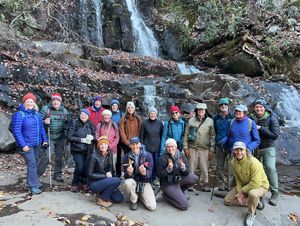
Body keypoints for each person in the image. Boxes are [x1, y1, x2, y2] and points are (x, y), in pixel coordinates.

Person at [224, 141, 269, 226]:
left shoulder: (254, 162)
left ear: (245, 151)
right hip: (246, 185)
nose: (239, 152)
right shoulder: (233, 162)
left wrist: (242, 191)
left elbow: (256, 183)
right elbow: (238, 179)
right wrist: (239, 190)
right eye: (236, 150)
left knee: (252, 193)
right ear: (233, 151)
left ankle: (251, 213)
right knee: (227, 201)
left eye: (241, 150)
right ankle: (254, 202)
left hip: (260, 186)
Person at [12, 92, 48, 195]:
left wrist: (44, 140)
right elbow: (16, 131)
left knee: (34, 163)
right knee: (32, 164)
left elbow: (41, 128)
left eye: (31, 101)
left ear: (34, 103)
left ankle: (30, 182)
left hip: (36, 143)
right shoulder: (19, 115)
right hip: (26, 144)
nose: (29, 103)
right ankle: (34, 186)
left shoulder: (37, 114)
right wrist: (23, 145)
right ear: (24, 103)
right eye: (27, 102)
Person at [250, 98, 280, 206]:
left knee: (270, 168)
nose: (258, 109)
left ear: (264, 108)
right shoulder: (250, 117)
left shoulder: (272, 118)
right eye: (256, 107)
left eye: (260, 107)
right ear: (254, 108)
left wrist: (261, 128)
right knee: (256, 170)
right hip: (255, 148)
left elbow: (275, 135)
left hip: (268, 147)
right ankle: (259, 192)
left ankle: (275, 192)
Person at [37, 93, 69, 182]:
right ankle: (36, 176)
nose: (55, 103)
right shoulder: (45, 109)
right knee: (47, 157)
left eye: (57, 101)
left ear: (60, 102)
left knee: (59, 157)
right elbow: (38, 121)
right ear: (51, 101)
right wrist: (44, 121)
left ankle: (57, 174)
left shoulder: (64, 111)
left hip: (60, 137)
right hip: (49, 136)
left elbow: (68, 123)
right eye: (54, 101)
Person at [158, 138, 198, 210]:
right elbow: (159, 175)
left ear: (176, 147)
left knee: (194, 178)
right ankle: (166, 196)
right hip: (168, 183)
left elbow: (187, 172)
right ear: (166, 148)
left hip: (178, 180)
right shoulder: (162, 158)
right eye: (168, 146)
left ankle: (180, 192)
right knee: (184, 205)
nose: (170, 149)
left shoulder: (181, 155)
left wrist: (183, 168)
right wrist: (168, 169)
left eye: (172, 146)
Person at [183, 103, 215, 192]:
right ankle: (190, 184)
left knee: (204, 168)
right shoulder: (191, 121)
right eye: (199, 110)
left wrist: (212, 150)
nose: (201, 111)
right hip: (192, 148)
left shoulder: (210, 121)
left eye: (203, 110)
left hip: (205, 149)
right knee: (191, 167)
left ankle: (204, 184)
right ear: (196, 111)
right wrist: (185, 147)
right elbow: (186, 134)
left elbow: (212, 136)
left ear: (205, 111)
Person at [88, 136, 123, 207]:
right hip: (94, 183)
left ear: (108, 145)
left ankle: (102, 192)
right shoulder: (94, 156)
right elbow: (90, 174)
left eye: (105, 144)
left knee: (119, 199)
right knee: (117, 180)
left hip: (105, 181)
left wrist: (112, 183)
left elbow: (111, 170)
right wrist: (106, 176)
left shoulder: (109, 154)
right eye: (101, 144)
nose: (103, 146)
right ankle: (102, 198)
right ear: (98, 146)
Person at [123, 137, 156, 211]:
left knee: (152, 206)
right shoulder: (126, 157)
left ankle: (139, 194)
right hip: (133, 180)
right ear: (130, 145)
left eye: (137, 144)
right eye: (132, 144)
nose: (135, 146)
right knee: (127, 183)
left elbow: (149, 174)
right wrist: (129, 173)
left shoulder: (148, 155)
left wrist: (144, 173)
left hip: (144, 181)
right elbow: (125, 176)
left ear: (140, 144)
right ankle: (134, 200)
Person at [68, 109, 96, 193]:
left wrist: (92, 138)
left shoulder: (90, 123)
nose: (83, 116)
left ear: (88, 116)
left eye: (86, 115)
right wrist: (82, 140)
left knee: (86, 167)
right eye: (82, 114)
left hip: (88, 149)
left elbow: (94, 135)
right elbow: (70, 137)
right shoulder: (75, 123)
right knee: (79, 167)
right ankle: (75, 183)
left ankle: (84, 182)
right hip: (77, 149)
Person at [213, 97, 233, 191]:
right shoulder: (216, 118)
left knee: (230, 166)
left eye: (225, 104)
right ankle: (221, 183)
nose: (223, 106)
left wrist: (228, 138)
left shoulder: (232, 116)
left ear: (228, 106)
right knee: (220, 165)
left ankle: (230, 184)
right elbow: (214, 131)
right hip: (219, 145)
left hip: (230, 145)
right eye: (221, 105)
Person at [117, 101, 142, 176]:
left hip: (136, 143)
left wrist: (138, 142)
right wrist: (127, 143)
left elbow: (140, 130)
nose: (130, 109)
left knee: (137, 158)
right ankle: (128, 174)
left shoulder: (138, 118)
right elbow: (122, 132)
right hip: (127, 143)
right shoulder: (123, 119)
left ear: (134, 108)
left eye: (132, 107)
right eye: (128, 108)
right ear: (126, 109)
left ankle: (137, 173)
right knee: (128, 159)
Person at [140, 107, 163, 185]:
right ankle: (147, 178)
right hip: (147, 147)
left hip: (157, 147)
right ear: (149, 114)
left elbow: (161, 135)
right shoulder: (145, 123)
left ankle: (154, 178)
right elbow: (141, 135)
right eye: (151, 113)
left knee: (156, 163)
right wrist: (142, 146)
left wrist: (161, 146)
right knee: (148, 163)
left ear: (156, 114)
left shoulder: (160, 123)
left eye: (154, 113)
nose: (152, 115)